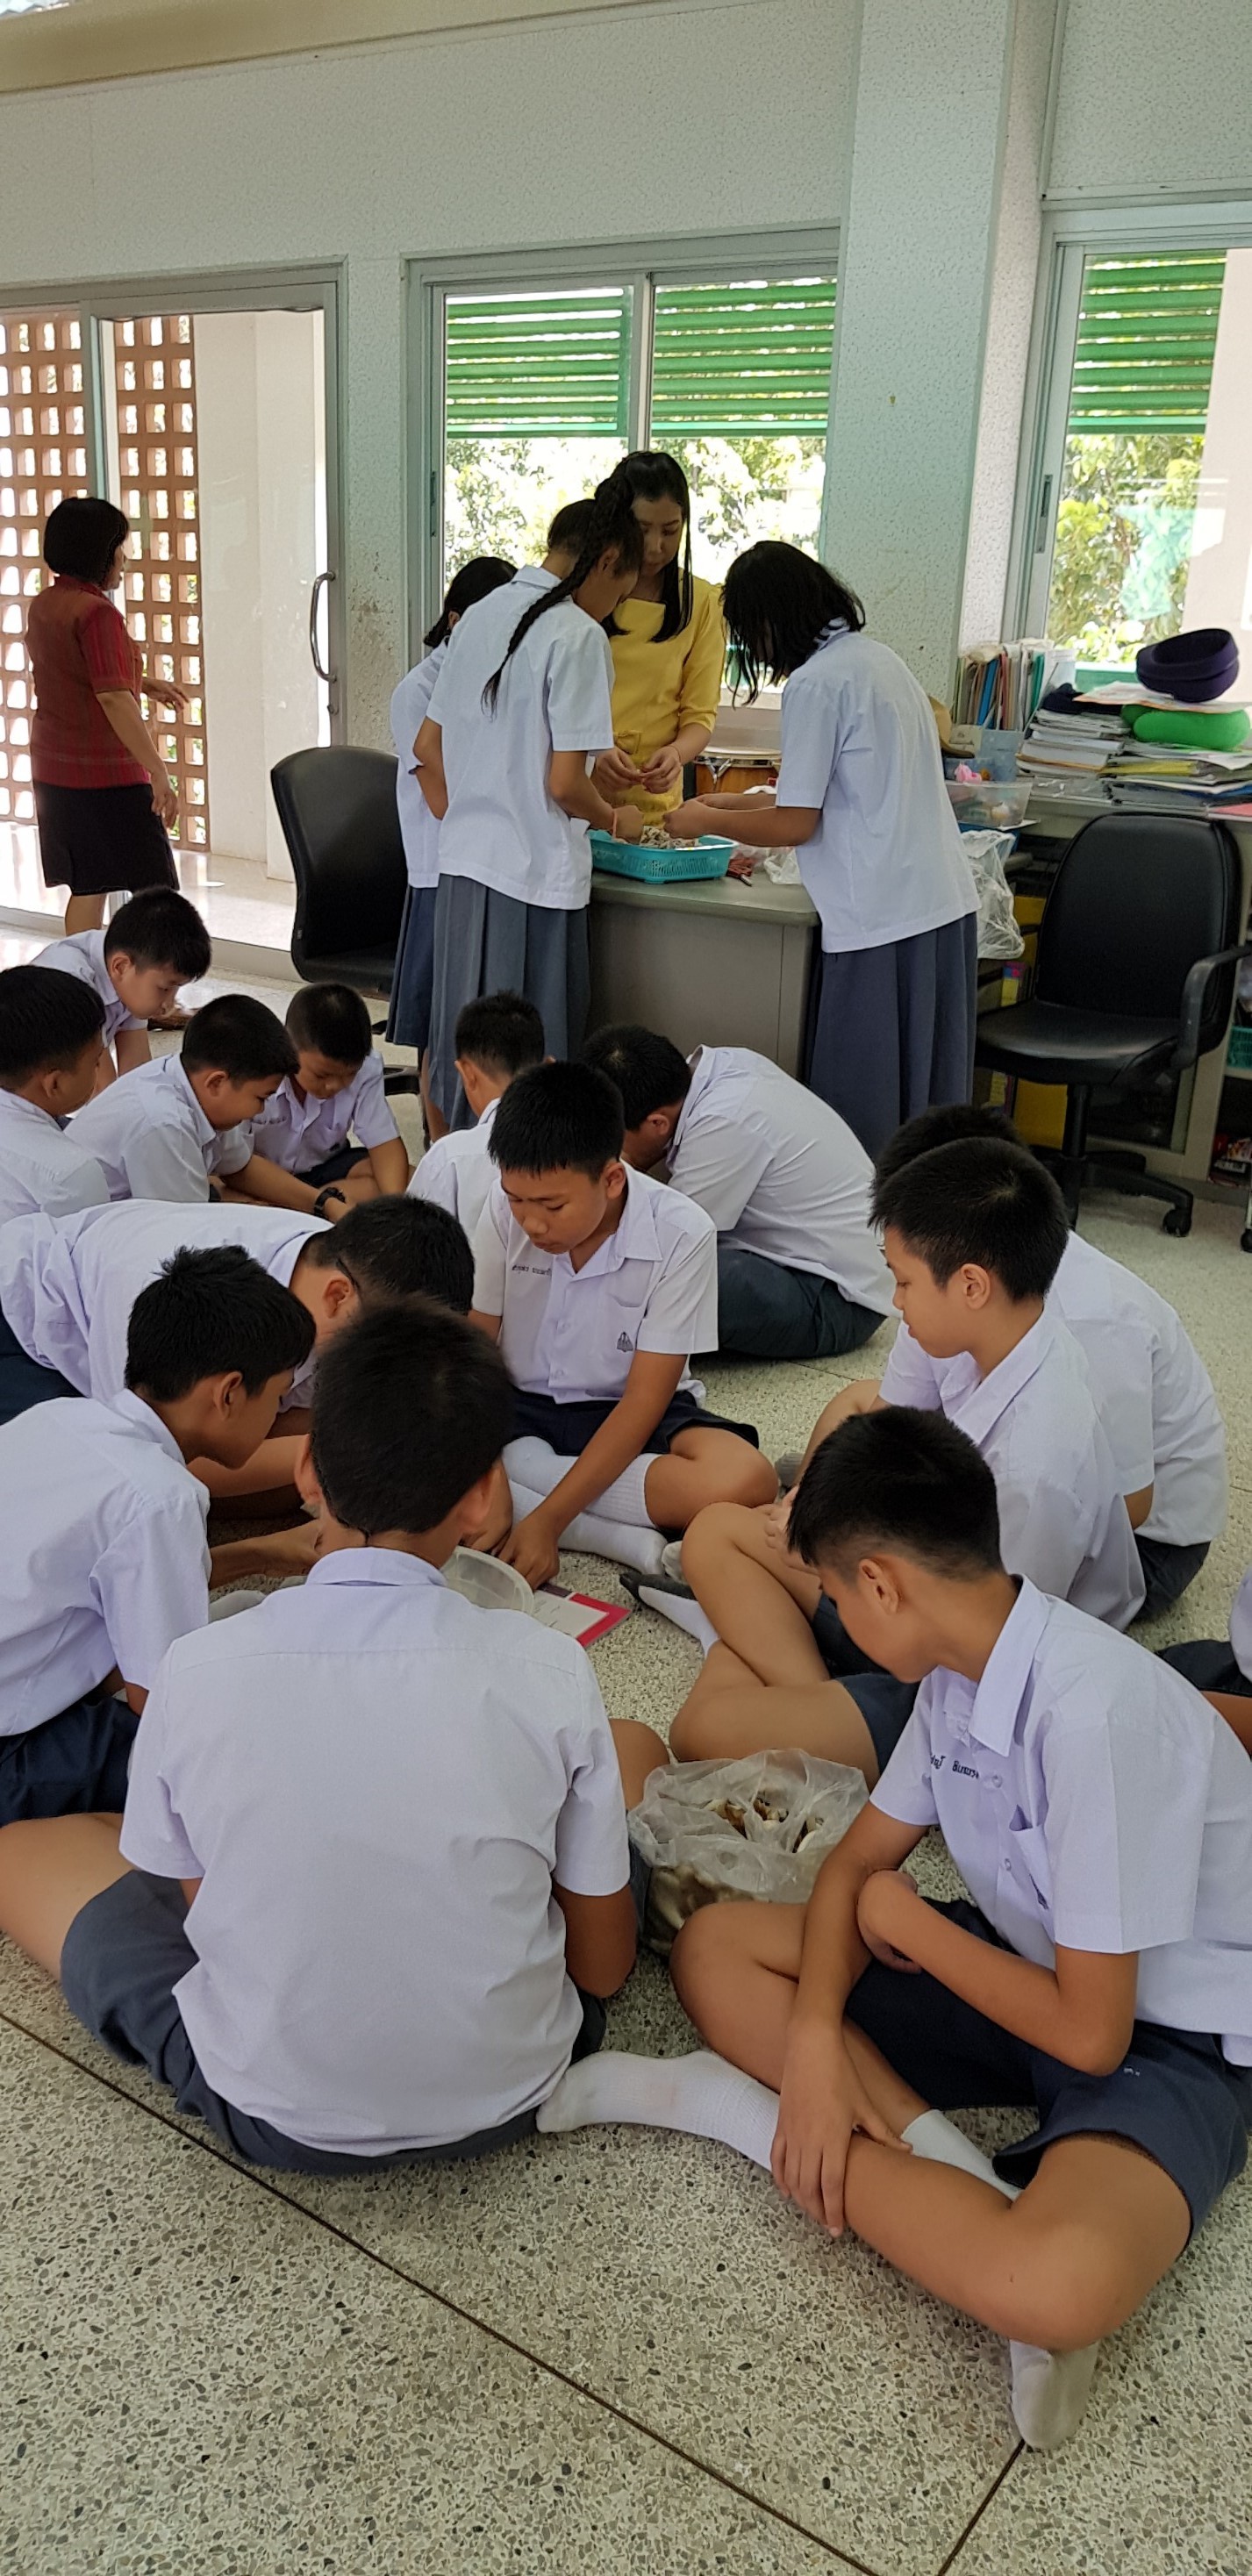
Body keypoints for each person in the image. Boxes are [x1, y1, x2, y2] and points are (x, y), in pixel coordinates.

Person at [537, 1410, 1252, 2453]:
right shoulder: (960, 1673)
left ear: (878, 1584)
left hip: (1166, 2032)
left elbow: (1091, 2034)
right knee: (716, 1949)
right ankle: (930, 2162)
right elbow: (854, 1870)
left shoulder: (1091, 1715)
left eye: (832, 1594)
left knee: (1052, 2283)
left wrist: (902, 1917)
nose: (832, 1614)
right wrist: (814, 2044)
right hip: (1023, 1960)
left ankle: (744, 2117)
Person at [0, 1304, 667, 2172]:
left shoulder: (194, 1668)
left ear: (306, 1469)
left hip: (273, 2115)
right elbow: (602, 1972)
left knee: (22, 1854)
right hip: (522, 2081)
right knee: (630, 1750)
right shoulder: (549, 1668)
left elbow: (209, 1921)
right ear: (479, 1497)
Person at [665, 1135, 1141, 1778]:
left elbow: (990, 1647)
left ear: (970, 1284)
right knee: (714, 1531)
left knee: (700, 1728)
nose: (894, 1301)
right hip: (904, 1586)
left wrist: (834, 1561)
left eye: (904, 1281)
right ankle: (813, 1694)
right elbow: (883, 1436)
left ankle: (806, 1692)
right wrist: (816, 1522)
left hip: (962, 1678)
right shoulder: (975, 1328)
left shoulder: (1037, 1468)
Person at [663, 544, 977, 1156]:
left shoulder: (815, 684)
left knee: (863, 1121)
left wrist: (704, 819)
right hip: (939, 905)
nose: (755, 654)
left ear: (769, 621)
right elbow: (835, 796)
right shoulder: (878, 661)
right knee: (927, 1111)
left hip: (880, 920)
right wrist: (724, 805)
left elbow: (796, 823)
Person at [873, 1103, 1227, 1617]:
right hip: (1023, 1491)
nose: (896, 1299)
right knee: (854, 1409)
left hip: (1144, 1546)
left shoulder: (1098, 1322)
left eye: (904, 1279)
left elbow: (1126, 1507)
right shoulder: (952, 1283)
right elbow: (892, 1415)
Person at [0, 1244, 313, 1825]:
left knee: (235, 1616)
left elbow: (124, 1575)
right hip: (10, 1753)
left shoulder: (59, 1417)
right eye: (276, 1398)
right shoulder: (162, 1497)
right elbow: (164, 1702)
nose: (276, 1416)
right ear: (228, 1393)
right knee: (234, 1754)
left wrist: (263, 1553)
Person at [472, 1060, 775, 1588]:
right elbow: (475, 1349)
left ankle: (531, 1485)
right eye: (517, 1200)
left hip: (625, 1411)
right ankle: (606, 1532)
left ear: (611, 1179)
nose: (532, 1222)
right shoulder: (502, 1211)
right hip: (517, 1403)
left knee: (746, 1479)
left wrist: (547, 1521)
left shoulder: (682, 1232)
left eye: (552, 1205)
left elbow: (643, 1401)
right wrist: (485, 1463)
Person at [417, 468, 646, 1131]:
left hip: (462, 872)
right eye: (619, 595)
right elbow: (563, 785)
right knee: (529, 1082)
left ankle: (455, 1174)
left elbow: (430, 746)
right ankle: (524, 1183)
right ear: (606, 561)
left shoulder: (481, 614)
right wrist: (615, 819)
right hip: (531, 882)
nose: (610, 611)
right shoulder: (576, 634)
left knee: (468, 1058)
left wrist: (484, 803)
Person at [0, 1193, 472, 1506]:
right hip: (25, 1329)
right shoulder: (169, 1302)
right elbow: (157, 1463)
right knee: (108, 1502)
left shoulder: (338, 1270)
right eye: (385, 1347)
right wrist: (347, 1451)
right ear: (337, 1296)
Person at [582, 1022, 893, 1360]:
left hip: (835, 1300)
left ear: (658, 1123)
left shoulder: (724, 1121)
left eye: (612, 1138)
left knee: (661, 1273)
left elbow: (666, 1240)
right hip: (798, 1261)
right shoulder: (721, 1069)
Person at [387, 555, 517, 1130]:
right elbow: (442, 801)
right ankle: (440, 1146)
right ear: (457, 621)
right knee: (439, 1029)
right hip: (438, 875)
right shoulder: (417, 693)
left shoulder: (493, 682)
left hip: (486, 869)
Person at [25, 497, 187, 935]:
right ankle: (158, 979)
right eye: (119, 547)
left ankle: (79, 976)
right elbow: (113, 698)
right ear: (98, 553)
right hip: (107, 777)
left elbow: (75, 673)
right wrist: (158, 771)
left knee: (89, 885)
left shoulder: (46, 604)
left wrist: (143, 683)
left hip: (57, 772)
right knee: (157, 894)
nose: (125, 558)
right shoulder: (98, 615)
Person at [592, 452, 726, 826]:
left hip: (655, 808)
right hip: (577, 795)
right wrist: (594, 749)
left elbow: (700, 715)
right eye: (642, 529)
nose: (655, 547)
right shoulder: (586, 591)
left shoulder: (702, 602)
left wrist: (676, 755)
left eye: (670, 531)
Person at [69, 994, 302, 1207]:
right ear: (216, 1083)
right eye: (261, 1098)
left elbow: (240, 1167)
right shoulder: (164, 1123)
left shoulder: (196, 1085)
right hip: (83, 1227)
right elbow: (188, 1227)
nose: (260, 1110)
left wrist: (318, 1203)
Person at [242, 984, 410, 1211]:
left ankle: (300, 1208)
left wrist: (397, 1209)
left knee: (406, 1179)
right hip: (260, 1174)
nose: (334, 1086)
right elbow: (234, 1160)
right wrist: (325, 1202)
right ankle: (315, 1207)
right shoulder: (254, 1068)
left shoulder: (367, 1067)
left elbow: (384, 1145)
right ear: (289, 1046)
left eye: (349, 1075)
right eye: (322, 1075)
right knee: (222, 1189)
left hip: (325, 1169)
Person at [34, 884, 211, 1084]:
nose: (168, 1004)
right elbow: (102, 1090)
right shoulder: (73, 986)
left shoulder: (131, 969)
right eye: (164, 988)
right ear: (120, 967)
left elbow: (137, 1073)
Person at [408, 989, 544, 1241]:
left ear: (467, 1074)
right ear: (547, 1066)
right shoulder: (586, 1147)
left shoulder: (451, 1158)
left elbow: (413, 1249)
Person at [0, 966, 110, 1225]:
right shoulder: (70, 1174)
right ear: (55, 1084)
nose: (98, 1070)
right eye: (96, 1062)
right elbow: (95, 1246)